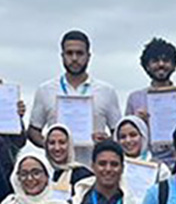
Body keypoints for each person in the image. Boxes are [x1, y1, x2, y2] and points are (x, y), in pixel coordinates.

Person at [28, 30, 123, 165]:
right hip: (58, 168)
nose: (74, 58)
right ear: (62, 56)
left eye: (79, 53)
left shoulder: (106, 91)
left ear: (88, 56)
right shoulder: (45, 90)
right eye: (69, 53)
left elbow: (118, 132)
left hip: (93, 168)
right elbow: (33, 131)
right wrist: (52, 145)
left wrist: (106, 141)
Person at [125, 37, 176, 168]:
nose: (161, 64)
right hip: (146, 164)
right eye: (155, 61)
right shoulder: (135, 99)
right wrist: (136, 123)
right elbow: (125, 137)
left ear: (174, 65)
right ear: (147, 66)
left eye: (166, 60)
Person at [115, 115, 174, 195]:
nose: (128, 140)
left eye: (133, 135)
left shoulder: (159, 169)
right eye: (123, 137)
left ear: (143, 136)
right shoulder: (113, 167)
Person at [42, 123, 93, 191]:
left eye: (62, 142)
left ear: (69, 145)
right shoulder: (43, 173)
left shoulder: (82, 175)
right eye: (52, 143)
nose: (57, 148)